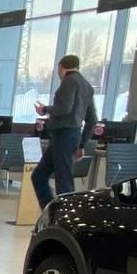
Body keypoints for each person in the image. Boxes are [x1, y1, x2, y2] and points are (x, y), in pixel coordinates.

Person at [31, 54, 98, 207]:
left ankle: (62, 214)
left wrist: (45, 109)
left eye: (58, 71)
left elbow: (64, 108)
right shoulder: (87, 86)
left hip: (63, 136)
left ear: (61, 67)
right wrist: (82, 144)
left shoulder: (69, 81)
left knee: (63, 181)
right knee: (40, 176)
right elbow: (92, 120)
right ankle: (51, 211)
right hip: (72, 136)